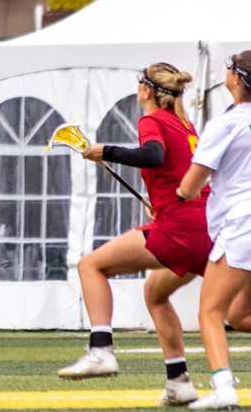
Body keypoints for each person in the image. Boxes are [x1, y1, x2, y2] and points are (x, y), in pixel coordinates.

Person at [56, 63, 210, 406]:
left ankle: (101, 350)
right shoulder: (186, 124)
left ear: (148, 90)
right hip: (202, 224)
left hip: (179, 229)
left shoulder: (151, 120)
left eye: (140, 83)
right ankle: (178, 381)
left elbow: (154, 156)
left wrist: (105, 151)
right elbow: (178, 172)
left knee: (90, 265)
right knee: (155, 292)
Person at [177, 51, 251, 410]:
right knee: (241, 314)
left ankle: (223, 388)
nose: (225, 72)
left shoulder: (226, 123)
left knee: (210, 312)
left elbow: (190, 185)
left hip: (247, 223)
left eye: (229, 68)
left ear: (238, 80)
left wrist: (180, 197)